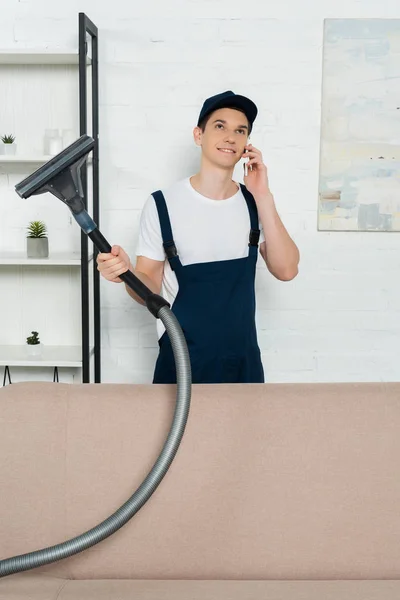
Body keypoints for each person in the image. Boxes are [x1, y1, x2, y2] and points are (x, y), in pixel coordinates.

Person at [97, 91, 300, 384]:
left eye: (240, 131)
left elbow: (286, 269)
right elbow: (149, 287)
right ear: (198, 135)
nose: (230, 136)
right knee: (178, 432)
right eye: (220, 126)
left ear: (246, 145)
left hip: (242, 363)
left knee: (246, 432)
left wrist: (263, 195)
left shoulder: (254, 203)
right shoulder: (162, 204)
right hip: (180, 361)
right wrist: (127, 273)